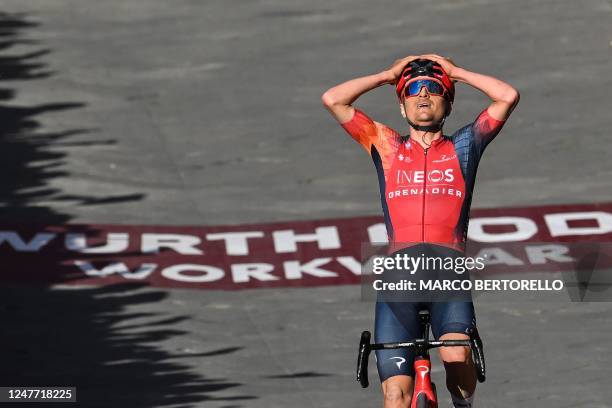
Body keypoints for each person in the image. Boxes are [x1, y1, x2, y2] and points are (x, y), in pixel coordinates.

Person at [321, 54, 519, 408]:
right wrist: (387, 74)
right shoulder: (385, 145)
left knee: (457, 358)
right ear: (401, 107)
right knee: (396, 397)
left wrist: (456, 72)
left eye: (434, 89)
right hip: (400, 277)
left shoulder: (464, 147)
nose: (423, 95)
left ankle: (464, 404)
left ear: (448, 102)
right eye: (412, 90)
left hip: (448, 274)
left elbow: (506, 96)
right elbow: (333, 99)